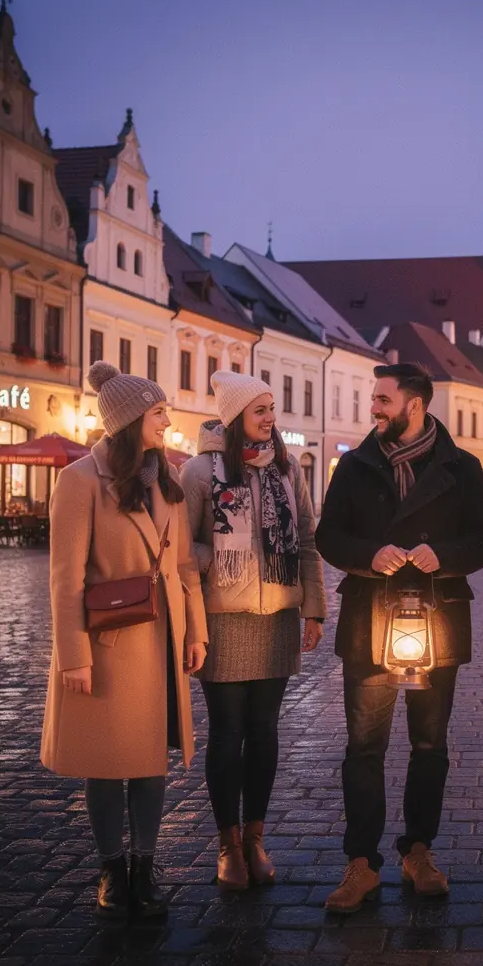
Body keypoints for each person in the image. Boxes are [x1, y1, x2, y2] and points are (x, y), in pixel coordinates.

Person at [315, 362, 483, 913]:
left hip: (435, 617)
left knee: (429, 745)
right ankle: (362, 862)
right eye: (374, 399)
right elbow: (328, 536)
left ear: (414, 405)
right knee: (363, 748)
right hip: (369, 617)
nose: (373, 408)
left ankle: (419, 851)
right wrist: (369, 555)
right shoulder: (355, 465)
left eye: (383, 400)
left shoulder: (462, 467)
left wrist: (444, 556)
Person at [41, 361, 208, 920]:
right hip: (108, 643)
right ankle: (112, 869)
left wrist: (196, 632)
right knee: (108, 762)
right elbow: (65, 578)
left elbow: (185, 567)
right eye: (159, 412)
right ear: (132, 418)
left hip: (163, 639)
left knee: (151, 760)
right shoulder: (80, 481)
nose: (167, 421)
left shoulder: (168, 480)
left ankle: (144, 865)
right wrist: (74, 657)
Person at [179, 371, 326, 890]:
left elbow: (305, 537)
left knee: (264, 731)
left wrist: (313, 609)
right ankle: (228, 844)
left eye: (270, 409)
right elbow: (181, 547)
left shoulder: (286, 468)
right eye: (260, 410)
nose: (270, 418)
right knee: (226, 732)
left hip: (277, 617)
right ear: (235, 416)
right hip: (222, 618)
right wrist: (218, 557)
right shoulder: (200, 471)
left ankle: (255, 838)